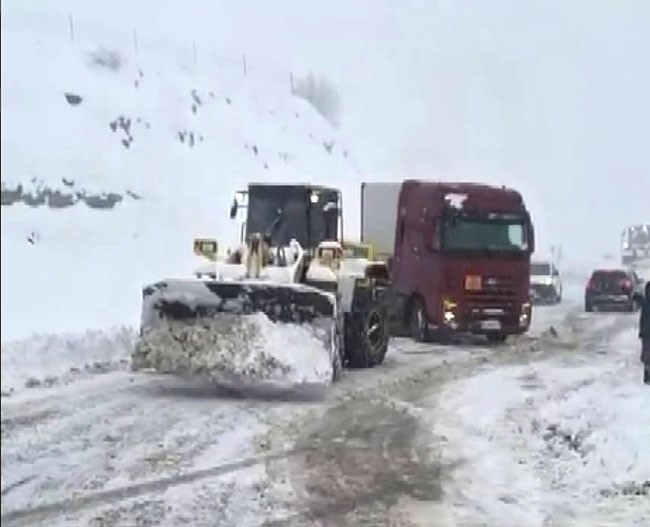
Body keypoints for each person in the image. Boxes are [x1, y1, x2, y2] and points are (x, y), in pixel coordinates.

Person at [640, 281, 650, 385]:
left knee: (647, 354)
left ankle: (647, 375)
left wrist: (642, 331)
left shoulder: (645, 303)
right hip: (647, 331)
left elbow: (643, 319)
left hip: (647, 332)